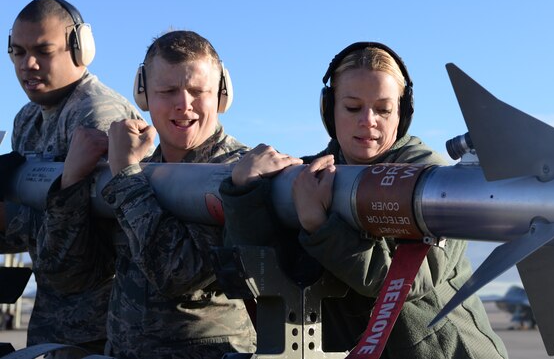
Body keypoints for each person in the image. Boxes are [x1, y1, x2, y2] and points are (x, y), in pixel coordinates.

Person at [221, 42, 509, 358]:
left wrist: (321, 227)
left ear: (402, 112)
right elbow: (259, 269)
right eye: (353, 107)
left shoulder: (432, 179)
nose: (368, 120)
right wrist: (245, 192)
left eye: (383, 109)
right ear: (329, 109)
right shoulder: (307, 176)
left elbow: (406, 283)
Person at [42, 30, 255, 358]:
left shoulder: (236, 172)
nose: (184, 105)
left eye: (199, 91)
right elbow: (69, 275)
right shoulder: (140, 168)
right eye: (168, 91)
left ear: (221, 95)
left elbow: (177, 275)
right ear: (143, 96)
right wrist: (71, 182)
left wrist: (126, 176)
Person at [0, 0, 142, 354]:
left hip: (99, 329)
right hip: (53, 321)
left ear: (80, 50)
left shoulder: (97, 114)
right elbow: (39, 223)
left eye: (43, 51)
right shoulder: (28, 119)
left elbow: (88, 242)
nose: (27, 64)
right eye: (17, 52)